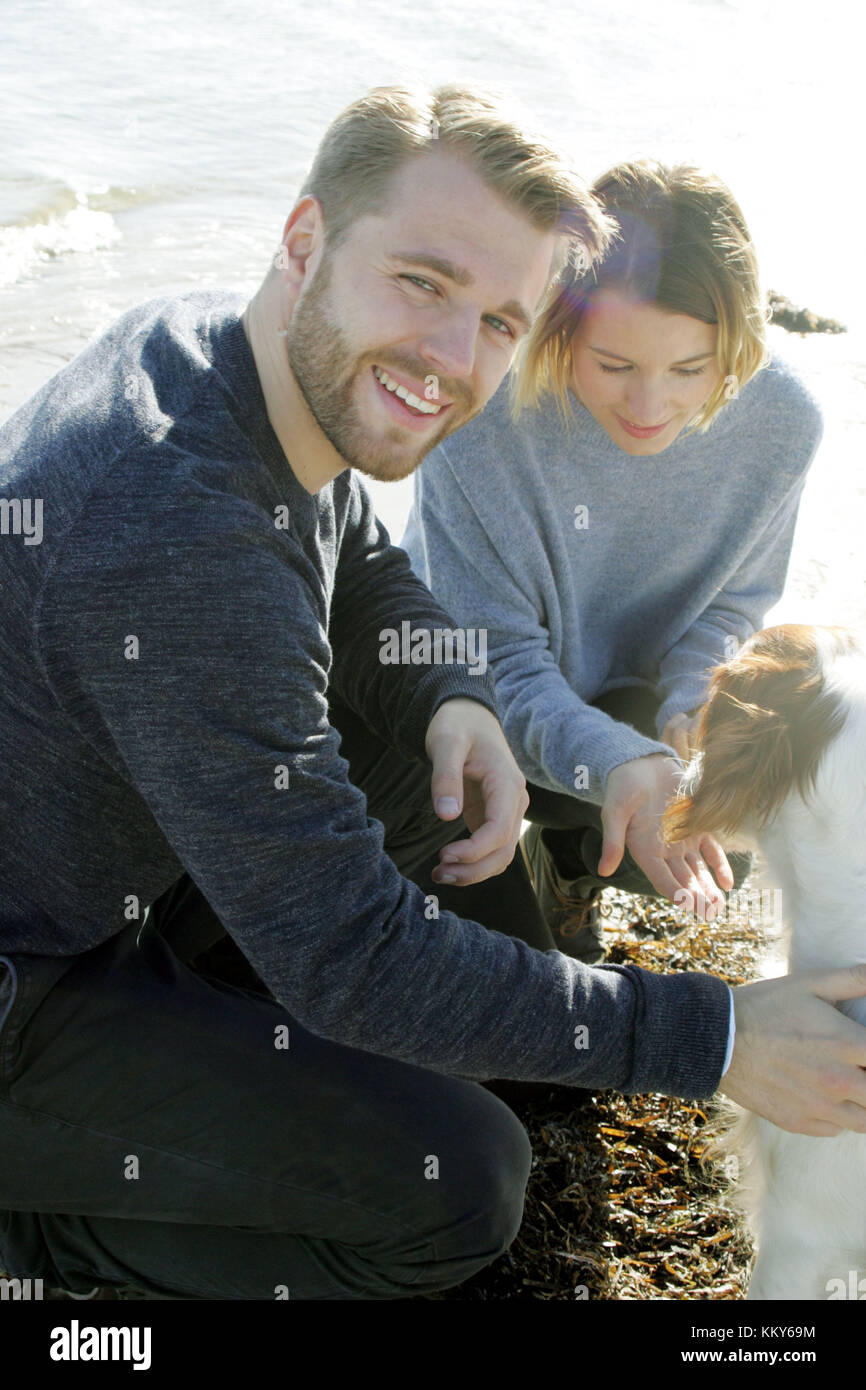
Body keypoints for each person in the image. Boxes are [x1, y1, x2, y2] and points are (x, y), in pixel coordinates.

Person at [2, 93, 866, 1304]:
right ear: (305, 240)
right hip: (28, 981)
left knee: (479, 919)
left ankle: (214, 1049)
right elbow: (351, 953)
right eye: (421, 281)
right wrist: (715, 1039)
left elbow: (353, 546)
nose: (455, 359)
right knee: (460, 1183)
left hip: (123, 868)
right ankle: (42, 1245)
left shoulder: (224, 345)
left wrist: (449, 691)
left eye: (499, 319)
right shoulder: (178, 538)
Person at [400, 159, 819, 963]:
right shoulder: (482, 419)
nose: (649, 406)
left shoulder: (782, 423)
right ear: (559, 328)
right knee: (493, 1033)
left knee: (731, 827)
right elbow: (496, 665)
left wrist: (693, 716)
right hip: (463, 711)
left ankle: (570, 866)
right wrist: (614, 761)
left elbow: (730, 610)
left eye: (690, 371)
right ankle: (552, 838)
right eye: (614, 366)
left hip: (632, 698)